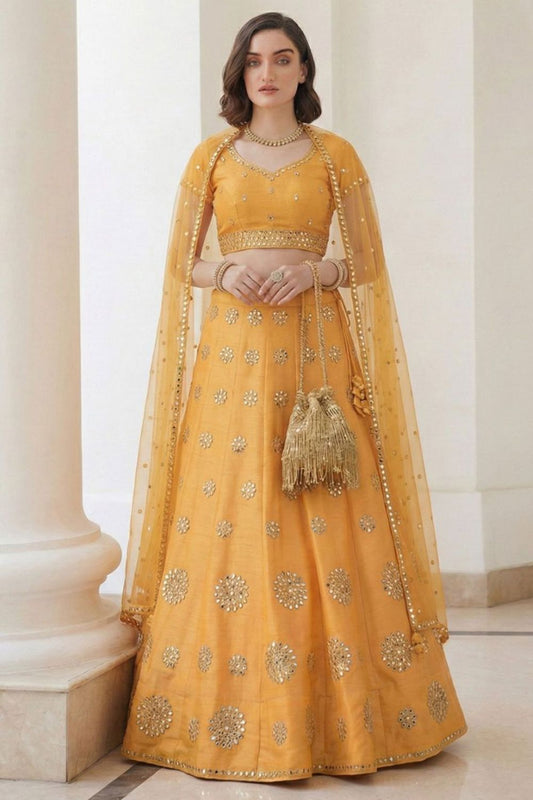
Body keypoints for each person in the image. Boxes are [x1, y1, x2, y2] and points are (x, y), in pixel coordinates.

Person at [120, 12, 467, 782]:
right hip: (233, 359)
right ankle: (222, 716)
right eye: (254, 61)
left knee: (326, 499)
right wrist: (225, 271)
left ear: (303, 69)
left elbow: (365, 261)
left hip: (314, 351)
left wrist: (315, 272)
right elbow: (183, 265)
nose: (267, 73)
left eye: (282, 59)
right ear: (239, 74)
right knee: (235, 504)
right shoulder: (211, 157)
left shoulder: (335, 155)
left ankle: (352, 720)